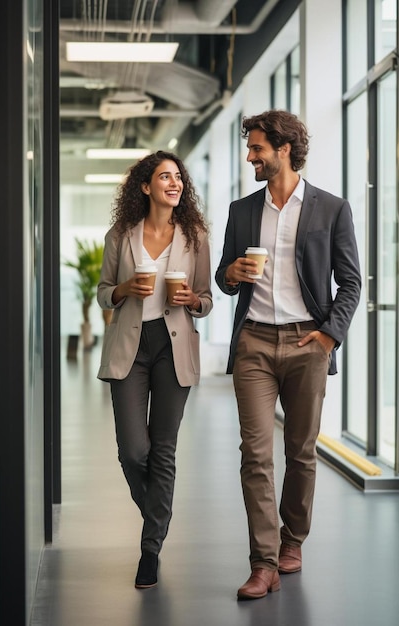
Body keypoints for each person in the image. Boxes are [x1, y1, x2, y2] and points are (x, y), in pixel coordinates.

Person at [215, 110, 361, 601]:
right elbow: (222, 278)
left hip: (306, 343)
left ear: (284, 149)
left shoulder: (331, 209)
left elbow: (352, 282)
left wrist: (328, 337)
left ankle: (292, 539)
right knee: (255, 454)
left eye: (257, 148)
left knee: (300, 452)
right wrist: (232, 273)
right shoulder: (241, 211)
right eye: (250, 148)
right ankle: (264, 562)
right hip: (254, 340)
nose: (251, 157)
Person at [97, 150, 213, 590]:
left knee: (164, 449)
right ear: (145, 187)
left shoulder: (195, 236)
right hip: (130, 345)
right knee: (133, 450)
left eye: (179, 177)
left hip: (173, 346)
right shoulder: (121, 235)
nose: (175, 183)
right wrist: (125, 288)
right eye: (165, 176)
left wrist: (192, 302)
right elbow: (103, 294)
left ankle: (150, 550)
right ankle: (158, 515)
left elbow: (204, 299)